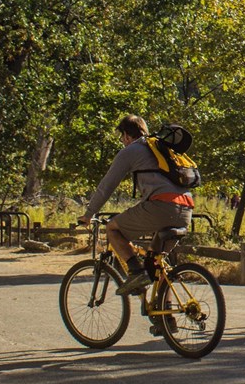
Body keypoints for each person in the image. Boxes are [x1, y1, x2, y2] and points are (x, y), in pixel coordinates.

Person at [78, 115, 194, 295]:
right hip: (186, 208)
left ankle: (136, 272)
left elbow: (107, 185)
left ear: (126, 135)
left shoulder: (132, 150)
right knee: (156, 263)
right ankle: (166, 318)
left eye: (122, 137)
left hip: (162, 207)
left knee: (113, 229)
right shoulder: (159, 147)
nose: (122, 142)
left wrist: (89, 213)